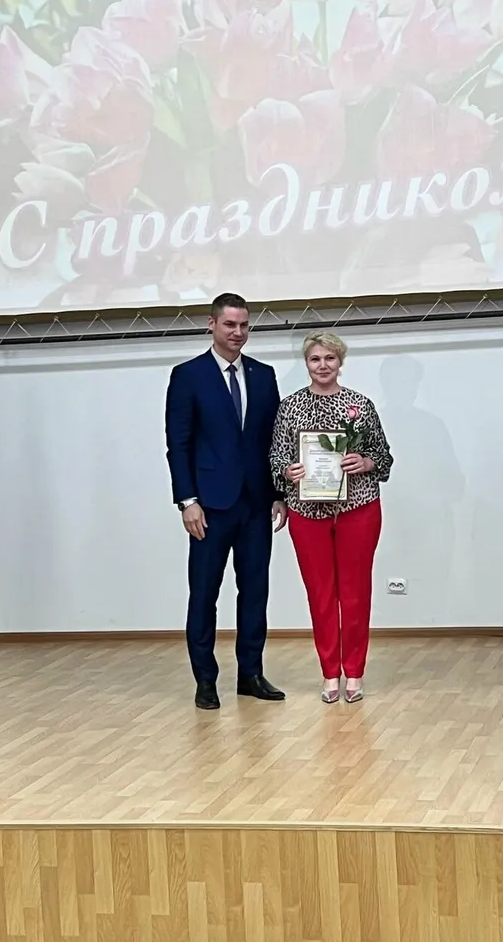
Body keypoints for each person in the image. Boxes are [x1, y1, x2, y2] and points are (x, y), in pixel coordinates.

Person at [165, 292, 288, 710]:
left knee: (255, 591)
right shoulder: (188, 375)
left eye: (244, 325)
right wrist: (187, 501)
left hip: (255, 504)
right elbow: (178, 444)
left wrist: (278, 494)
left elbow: (273, 442)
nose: (238, 332)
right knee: (204, 594)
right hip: (209, 507)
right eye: (230, 324)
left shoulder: (264, 375)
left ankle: (250, 674)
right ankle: (205, 679)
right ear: (212, 325)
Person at [270, 331, 393, 703]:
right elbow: (275, 458)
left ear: (340, 362)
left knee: (355, 593)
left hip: (358, 507)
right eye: (315, 359)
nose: (322, 365)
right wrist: (287, 472)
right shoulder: (290, 407)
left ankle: (354, 672)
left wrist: (366, 462)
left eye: (329, 358)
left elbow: (384, 457)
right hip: (307, 511)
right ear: (306, 363)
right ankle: (329, 673)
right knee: (321, 594)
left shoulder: (360, 405)